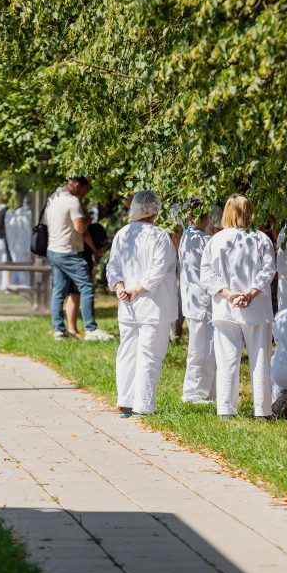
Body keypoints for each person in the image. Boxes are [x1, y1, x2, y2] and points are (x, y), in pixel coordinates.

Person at [200, 194, 276, 420]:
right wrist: (250, 293)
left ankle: (226, 409)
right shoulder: (261, 238)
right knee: (260, 359)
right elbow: (268, 270)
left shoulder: (216, 240)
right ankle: (262, 410)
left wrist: (228, 294)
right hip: (256, 306)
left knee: (227, 360)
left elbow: (206, 274)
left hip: (225, 307)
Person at [106, 190, 177, 417]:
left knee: (127, 351)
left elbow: (113, 266)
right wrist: (136, 289)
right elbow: (158, 270)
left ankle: (125, 401)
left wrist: (120, 288)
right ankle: (143, 405)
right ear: (155, 210)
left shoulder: (123, 234)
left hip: (127, 303)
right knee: (150, 355)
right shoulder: (159, 236)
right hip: (152, 305)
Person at [45, 177, 113, 341]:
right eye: (84, 190)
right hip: (70, 252)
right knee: (87, 287)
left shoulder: (53, 198)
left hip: (54, 249)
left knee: (58, 291)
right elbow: (80, 228)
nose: (84, 194)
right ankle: (91, 329)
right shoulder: (73, 201)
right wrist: (87, 220)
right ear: (77, 185)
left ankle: (59, 331)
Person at [179, 202, 216, 403]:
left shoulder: (187, 236)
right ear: (205, 216)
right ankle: (196, 393)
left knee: (199, 347)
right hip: (203, 301)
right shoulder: (204, 240)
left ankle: (203, 391)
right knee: (203, 350)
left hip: (192, 299)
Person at [6, 193, 32, 287]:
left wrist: (11, 244)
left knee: (21, 267)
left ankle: (24, 285)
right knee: (22, 267)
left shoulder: (18, 214)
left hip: (19, 245)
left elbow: (12, 231)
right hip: (25, 245)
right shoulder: (28, 213)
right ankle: (19, 285)